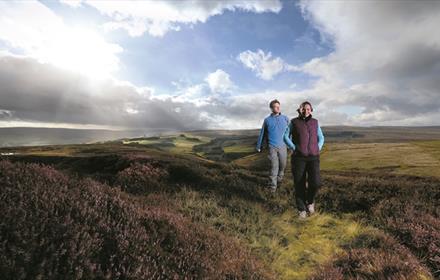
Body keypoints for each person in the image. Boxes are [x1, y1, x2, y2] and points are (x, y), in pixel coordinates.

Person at [284, 101, 324, 218]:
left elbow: (321, 137)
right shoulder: (294, 122)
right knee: (299, 184)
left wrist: (318, 147)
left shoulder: (315, 122)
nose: (306, 111)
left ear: (311, 110)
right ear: (299, 110)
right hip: (299, 158)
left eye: (308, 109)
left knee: (316, 183)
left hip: (313, 157)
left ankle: (310, 202)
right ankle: (301, 209)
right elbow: (285, 136)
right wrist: (293, 147)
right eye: (303, 109)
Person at [256, 99, 290, 192]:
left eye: (278, 106)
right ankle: (272, 189)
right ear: (271, 108)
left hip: (283, 146)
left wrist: (291, 144)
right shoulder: (267, 120)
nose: (278, 108)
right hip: (272, 146)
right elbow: (262, 133)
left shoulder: (285, 118)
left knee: (283, 165)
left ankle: (279, 180)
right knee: (273, 167)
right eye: (275, 106)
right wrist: (259, 146)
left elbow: (290, 132)